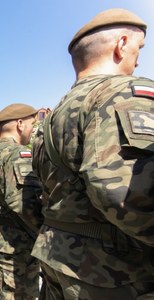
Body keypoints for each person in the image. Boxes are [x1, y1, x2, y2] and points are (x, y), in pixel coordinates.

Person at [32, 8, 154, 299]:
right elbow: (122, 195)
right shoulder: (124, 93)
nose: (138, 58)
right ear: (121, 44)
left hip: (59, 253)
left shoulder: (53, 116)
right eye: (139, 47)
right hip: (111, 269)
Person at [0, 103, 43, 299]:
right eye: (32, 124)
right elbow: (24, 204)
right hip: (14, 243)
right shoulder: (17, 154)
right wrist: (44, 236)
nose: (33, 130)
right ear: (20, 124)